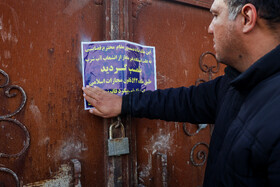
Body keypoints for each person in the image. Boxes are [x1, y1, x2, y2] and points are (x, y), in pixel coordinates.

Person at [82, 0, 280, 186]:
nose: (210, 28)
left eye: (216, 15)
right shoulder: (237, 82)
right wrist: (124, 103)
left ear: (246, 18)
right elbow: (184, 101)